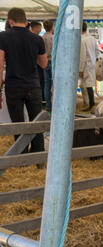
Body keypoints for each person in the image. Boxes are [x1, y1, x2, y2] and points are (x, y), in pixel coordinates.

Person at [0, 8, 47, 155]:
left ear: (10, 21)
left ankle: (21, 156)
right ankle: (38, 154)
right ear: (26, 21)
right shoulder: (37, 38)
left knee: (18, 124)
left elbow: (0, 65)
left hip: (13, 86)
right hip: (33, 85)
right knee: (36, 122)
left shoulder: (3, 37)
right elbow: (44, 64)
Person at [79, 22, 99, 112]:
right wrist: (93, 59)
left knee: (87, 85)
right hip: (92, 64)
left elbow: (82, 56)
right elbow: (97, 51)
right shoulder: (92, 38)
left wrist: (80, 70)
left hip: (85, 65)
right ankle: (89, 103)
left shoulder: (81, 40)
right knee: (89, 84)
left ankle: (90, 104)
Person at [42, 20, 53, 111]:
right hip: (53, 61)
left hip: (45, 61)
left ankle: (48, 106)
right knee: (55, 85)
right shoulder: (53, 38)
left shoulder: (42, 38)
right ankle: (55, 105)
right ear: (52, 27)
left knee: (47, 85)